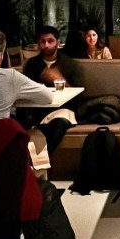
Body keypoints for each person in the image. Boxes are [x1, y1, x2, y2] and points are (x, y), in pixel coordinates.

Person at [20, 25, 84, 153]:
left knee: (57, 125)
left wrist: (59, 79)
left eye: (50, 41)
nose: (46, 45)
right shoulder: (32, 64)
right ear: (38, 44)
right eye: (43, 41)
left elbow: (79, 95)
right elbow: (26, 91)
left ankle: (40, 159)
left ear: (58, 42)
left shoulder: (69, 64)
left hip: (62, 111)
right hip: (38, 111)